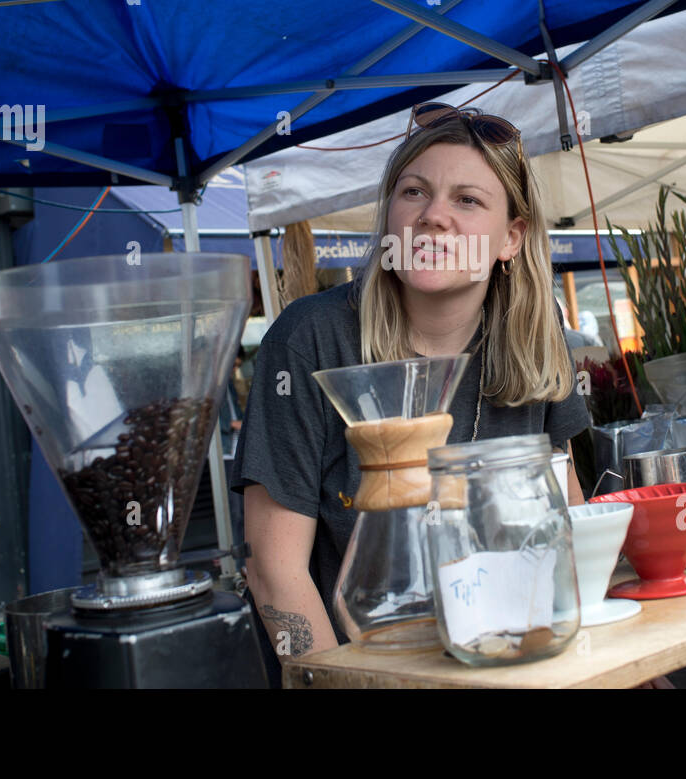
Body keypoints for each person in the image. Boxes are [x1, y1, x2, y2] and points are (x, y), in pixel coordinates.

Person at [233, 104, 590, 671]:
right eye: (414, 192)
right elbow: (273, 572)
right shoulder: (310, 339)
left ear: (511, 238)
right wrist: (343, 689)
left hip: (519, 662)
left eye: (467, 200)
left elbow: (567, 533)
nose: (433, 217)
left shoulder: (534, 344)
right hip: (369, 671)